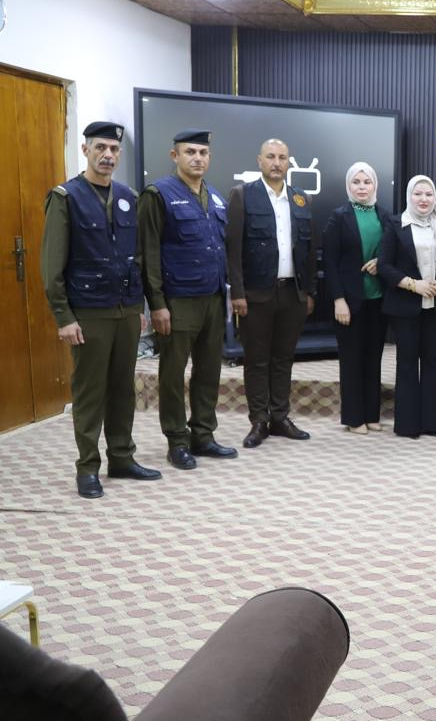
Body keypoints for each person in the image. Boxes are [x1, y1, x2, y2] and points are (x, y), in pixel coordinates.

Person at [41, 121, 159, 499]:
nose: (108, 155)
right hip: (88, 311)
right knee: (91, 392)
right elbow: (52, 264)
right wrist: (64, 317)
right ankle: (87, 467)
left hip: (125, 310)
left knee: (123, 389)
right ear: (85, 150)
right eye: (100, 148)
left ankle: (122, 457)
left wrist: (138, 306)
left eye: (113, 149)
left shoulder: (128, 196)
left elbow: (136, 257)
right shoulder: (66, 197)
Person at [139, 129, 238, 469]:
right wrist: (157, 303)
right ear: (175, 156)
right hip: (177, 301)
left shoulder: (216, 196)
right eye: (190, 152)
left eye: (203, 153)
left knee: (209, 370)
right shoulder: (158, 194)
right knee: (172, 373)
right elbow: (148, 252)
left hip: (212, 298)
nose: (198, 158)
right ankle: (177, 441)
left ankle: (203, 435)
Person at [226, 138, 317, 448]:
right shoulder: (242, 195)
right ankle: (259, 421)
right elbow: (233, 249)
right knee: (256, 360)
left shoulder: (301, 198)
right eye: (270, 157)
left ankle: (280, 417)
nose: (277, 163)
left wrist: (309, 291)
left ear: (289, 162)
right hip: (255, 294)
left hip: (292, 293)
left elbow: (308, 250)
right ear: (259, 161)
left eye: (282, 157)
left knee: (283, 358)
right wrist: (237, 292)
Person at [382, 175, 436, 438]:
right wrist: (412, 285)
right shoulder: (396, 224)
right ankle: (407, 425)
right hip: (405, 305)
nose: (423, 199)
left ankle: (430, 422)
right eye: (418, 194)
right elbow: (384, 266)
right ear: (409, 196)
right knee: (407, 363)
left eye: (429, 194)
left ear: (435, 197)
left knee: (432, 362)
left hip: (435, 306)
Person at [323, 162, 391, 434]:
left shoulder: (384, 216)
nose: (362, 187)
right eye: (356, 182)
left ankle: (371, 414)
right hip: (349, 302)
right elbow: (329, 262)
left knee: (373, 359)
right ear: (348, 186)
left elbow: (393, 252)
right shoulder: (339, 217)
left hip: (378, 299)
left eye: (367, 182)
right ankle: (353, 418)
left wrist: (381, 261)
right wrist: (338, 300)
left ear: (375, 185)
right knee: (352, 360)